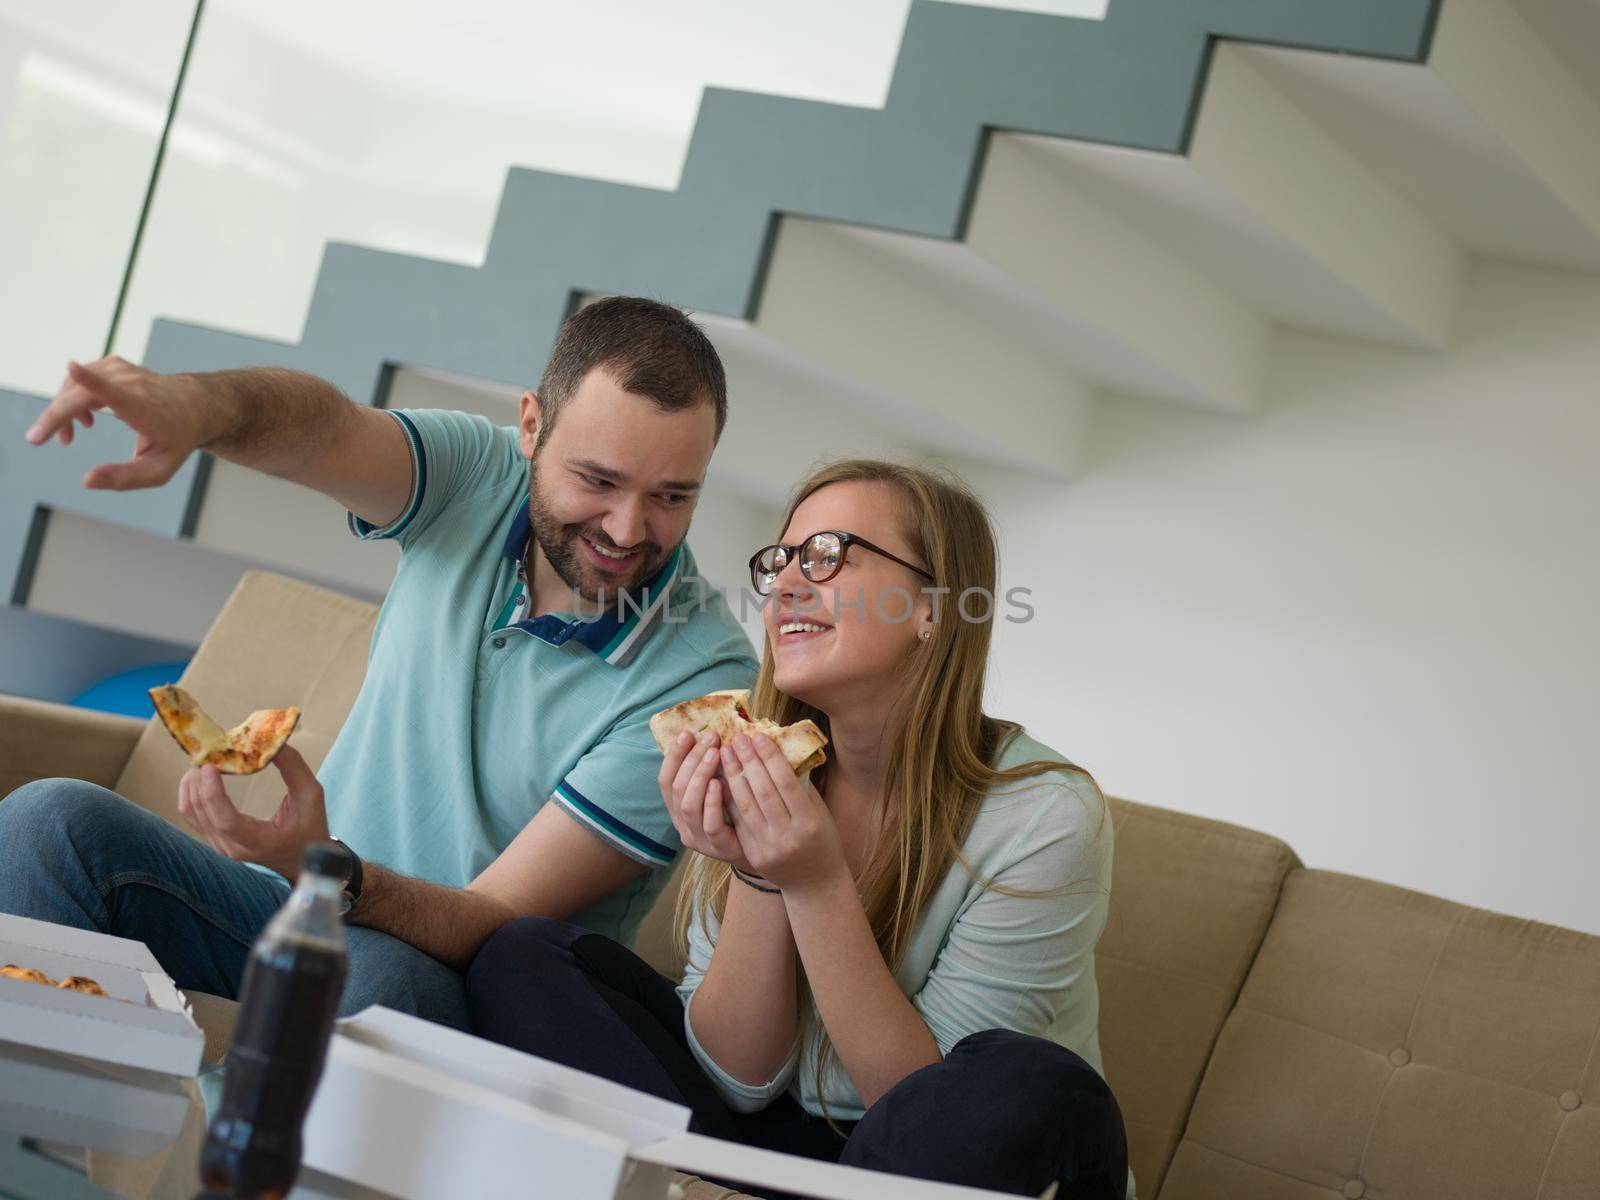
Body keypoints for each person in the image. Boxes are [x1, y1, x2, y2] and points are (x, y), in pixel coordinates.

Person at [0, 297, 758, 1031]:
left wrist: (325, 866)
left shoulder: (700, 681)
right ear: (531, 427)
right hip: (294, 901)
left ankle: (208, 1144)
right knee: (51, 824)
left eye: (670, 496)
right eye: (597, 481)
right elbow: (321, 430)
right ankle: (39, 1128)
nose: (628, 529)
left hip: (445, 978)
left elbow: (491, 922)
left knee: (385, 985)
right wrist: (197, 409)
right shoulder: (481, 477)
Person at [468, 459, 1131, 1199]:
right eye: (780, 561)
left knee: (1027, 1081)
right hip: (784, 1150)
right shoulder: (767, 757)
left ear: (934, 609)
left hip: (943, 1162)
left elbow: (936, 1111)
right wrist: (758, 872)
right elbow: (739, 1083)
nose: (783, 585)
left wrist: (814, 884)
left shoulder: (1044, 816)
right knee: (521, 956)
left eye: (826, 556)